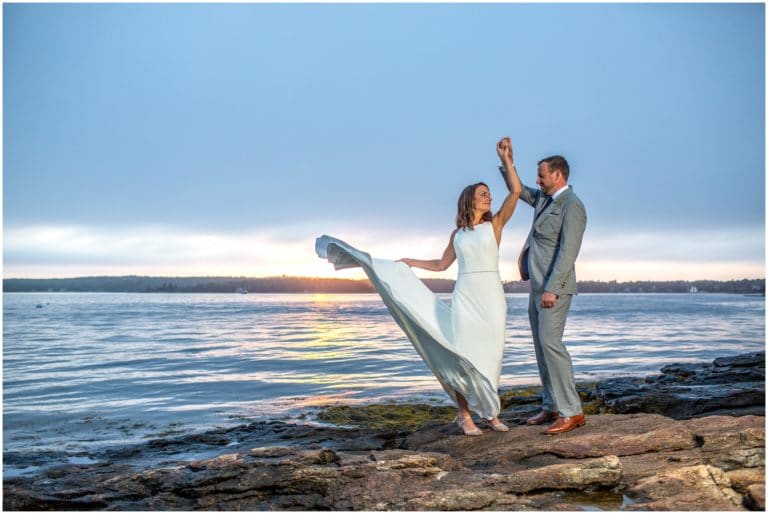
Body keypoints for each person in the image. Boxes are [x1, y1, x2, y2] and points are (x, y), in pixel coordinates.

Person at [316, 140, 521, 436]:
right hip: (466, 297)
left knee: (491, 355)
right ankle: (465, 415)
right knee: (459, 354)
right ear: (469, 201)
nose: (489, 198)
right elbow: (441, 265)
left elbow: (515, 192)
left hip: (492, 297)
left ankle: (490, 413)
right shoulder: (459, 235)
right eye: (483, 194)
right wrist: (410, 262)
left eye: (489, 194)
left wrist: (507, 160)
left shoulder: (496, 226)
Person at [499, 140, 587, 435]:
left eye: (542, 176)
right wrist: (507, 161)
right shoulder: (545, 199)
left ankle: (572, 411)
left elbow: (567, 252)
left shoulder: (572, 206)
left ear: (558, 176)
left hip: (554, 288)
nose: (538, 181)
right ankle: (551, 405)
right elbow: (519, 190)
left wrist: (552, 288)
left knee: (552, 345)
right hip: (537, 287)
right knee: (541, 347)